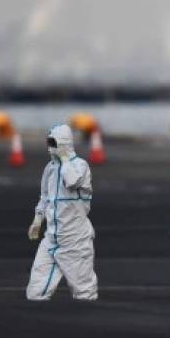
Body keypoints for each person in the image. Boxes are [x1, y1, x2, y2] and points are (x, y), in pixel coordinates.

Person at [26, 124, 98, 300]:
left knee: (84, 293)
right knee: (35, 293)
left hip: (75, 241)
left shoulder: (80, 166)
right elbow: (44, 197)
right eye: (48, 142)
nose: (50, 147)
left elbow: (72, 181)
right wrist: (37, 220)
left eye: (53, 142)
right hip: (51, 238)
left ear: (63, 143)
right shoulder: (50, 168)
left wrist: (65, 158)